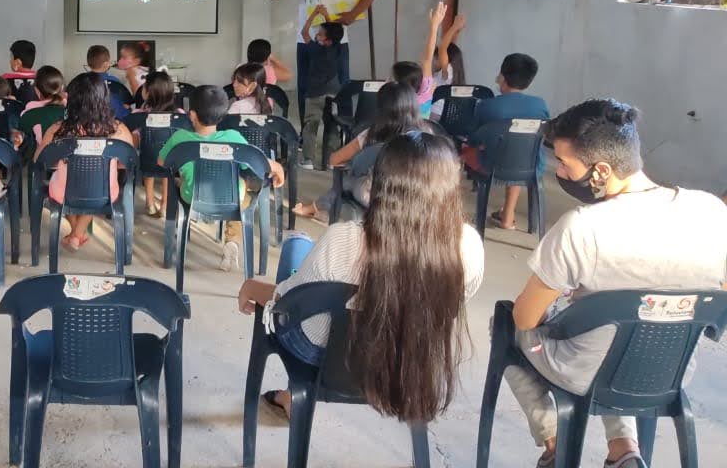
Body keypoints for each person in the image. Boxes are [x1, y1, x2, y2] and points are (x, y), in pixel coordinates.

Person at [503, 100, 727, 468]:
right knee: (623, 333)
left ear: (602, 170)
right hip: (670, 370)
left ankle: (555, 442)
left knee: (508, 324)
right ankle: (623, 450)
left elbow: (527, 318)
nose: (558, 170)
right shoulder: (711, 211)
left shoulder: (582, 227)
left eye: (564, 163)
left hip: (585, 372)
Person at [239, 131, 484, 422]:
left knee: (296, 245)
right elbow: (452, 304)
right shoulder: (468, 244)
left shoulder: (344, 239)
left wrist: (251, 287)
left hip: (322, 353)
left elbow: (289, 303)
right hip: (409, 356)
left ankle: (294, 395)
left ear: (380, 184)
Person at [158, 86, 285, 272]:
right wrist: (278, 167)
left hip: (192, 196)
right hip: (229, 200)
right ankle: (232, 240)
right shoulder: (233, 137)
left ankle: (179, 236)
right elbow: (258, 162)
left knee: (179, 182)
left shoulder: (180, 138)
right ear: (223, 115)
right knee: (242, 189)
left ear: (192, 115)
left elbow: (162, 162)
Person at [291, 81, 432, 221]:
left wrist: (359, 159)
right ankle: (325, 211)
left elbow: (334, 160)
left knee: (345, 181)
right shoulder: (428, 134)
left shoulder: (373, 134)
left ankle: (316, 209)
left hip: (378, 196)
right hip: (419, 198)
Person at [36, 72, 135, 252]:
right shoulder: (119, 130)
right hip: (104, 193)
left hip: (63, 193)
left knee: (63, 188)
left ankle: (76, 233)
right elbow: (127, 163)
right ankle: (77, 233)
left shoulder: (58, 129)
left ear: (71, 100)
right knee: (96, 186)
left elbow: (40, 161)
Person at [460, 52, 550, 230]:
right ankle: (507, 217)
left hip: (491, 166)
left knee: (460, 151)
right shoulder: (540, 105)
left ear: (502, 76)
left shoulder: (487, 105)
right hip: (532, 166)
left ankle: (453, 211)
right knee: (519, 150)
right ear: (529, 81)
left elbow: (473, 139)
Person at [298, 6, 345, 170]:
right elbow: (334, 32)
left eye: (320, 33)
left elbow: (304, 32)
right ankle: (330, 161)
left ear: (327, 40)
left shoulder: (315, 50)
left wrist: (313, 14)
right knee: (332, 126)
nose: (317, 34)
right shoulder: (337, 48)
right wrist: (326, 15)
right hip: (334, 93)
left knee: (311, 126)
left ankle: (308, 160)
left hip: (314, 93)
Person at [131, 70, 180, 217]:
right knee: (167, 164)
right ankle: (165, 205)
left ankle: (150, 202)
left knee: (148, 153)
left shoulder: (138, 115)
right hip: (171, 164)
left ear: (147, 92)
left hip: (145, 162)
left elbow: (133, 142)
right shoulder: (180, 115)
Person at [391, 1, 448, 117]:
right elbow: (428, 59)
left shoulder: (394, 99)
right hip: (423, 134)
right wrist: (434, 27)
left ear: (398, 82)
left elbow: (427, 59)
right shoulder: (425, 91)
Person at [430, 14, 467, 121]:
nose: (433, 61)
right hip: (451, 116)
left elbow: (443, 48)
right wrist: (456, 32)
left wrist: (454, 27)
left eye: (435, 58)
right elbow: (450, 48)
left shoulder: (446, 72)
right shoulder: (455, 69)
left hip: (436, 115)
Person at [86, 45, 129, 119]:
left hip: (87, 120)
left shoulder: (81, 80)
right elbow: (120, 108)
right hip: (111, 121)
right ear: (106, 64)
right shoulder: (114, 81)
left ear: (89, 63)